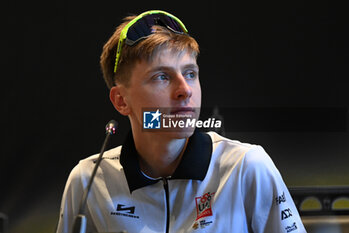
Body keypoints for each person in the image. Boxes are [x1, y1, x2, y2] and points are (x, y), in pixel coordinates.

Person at [56, 10, 306, 233]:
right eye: (162, 76)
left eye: (190, 73)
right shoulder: (87, 181)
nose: (185, 90)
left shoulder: (247, 166)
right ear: (121, 100)